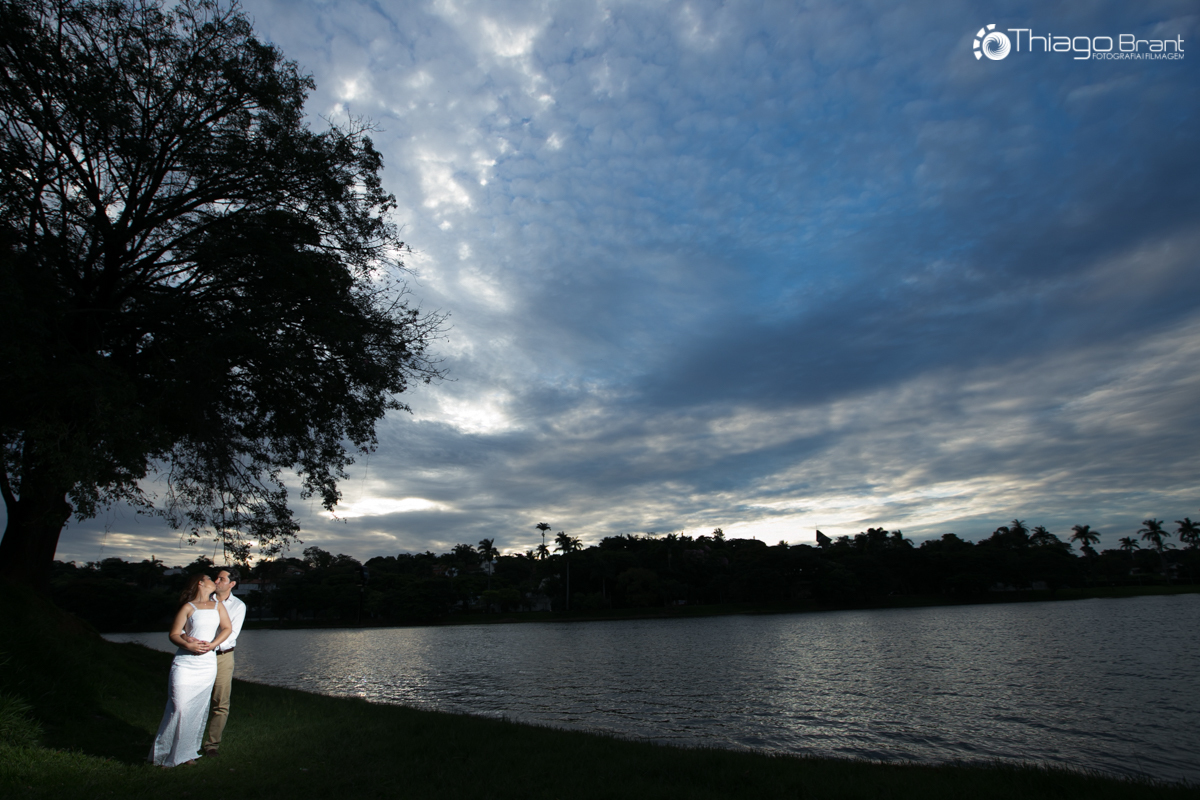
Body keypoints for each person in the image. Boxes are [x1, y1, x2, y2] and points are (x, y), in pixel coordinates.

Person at [149, 574, 232, 767]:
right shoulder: (188, 607)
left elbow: (227, 628)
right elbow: (174, 634)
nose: (214, 581)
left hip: (207, 664)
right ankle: (164, 753)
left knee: (197, 709)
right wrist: (189, 645)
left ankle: (186, 753)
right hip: (185, 663)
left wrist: (212, 645)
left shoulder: (218, 606)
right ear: (200, 583)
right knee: (178, 706)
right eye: (210, 578)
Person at [202, 567, 246, 757]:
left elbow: (232, 634)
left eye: (221, 579)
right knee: (197, 698)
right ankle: (188, 740)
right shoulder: (204, 599)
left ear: (232, 584)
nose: (216, 581)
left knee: (220, 701)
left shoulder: (238, 606)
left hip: (223, 656)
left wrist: (211, 645)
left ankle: (212, 744)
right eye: (216, 578)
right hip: (200, 655)